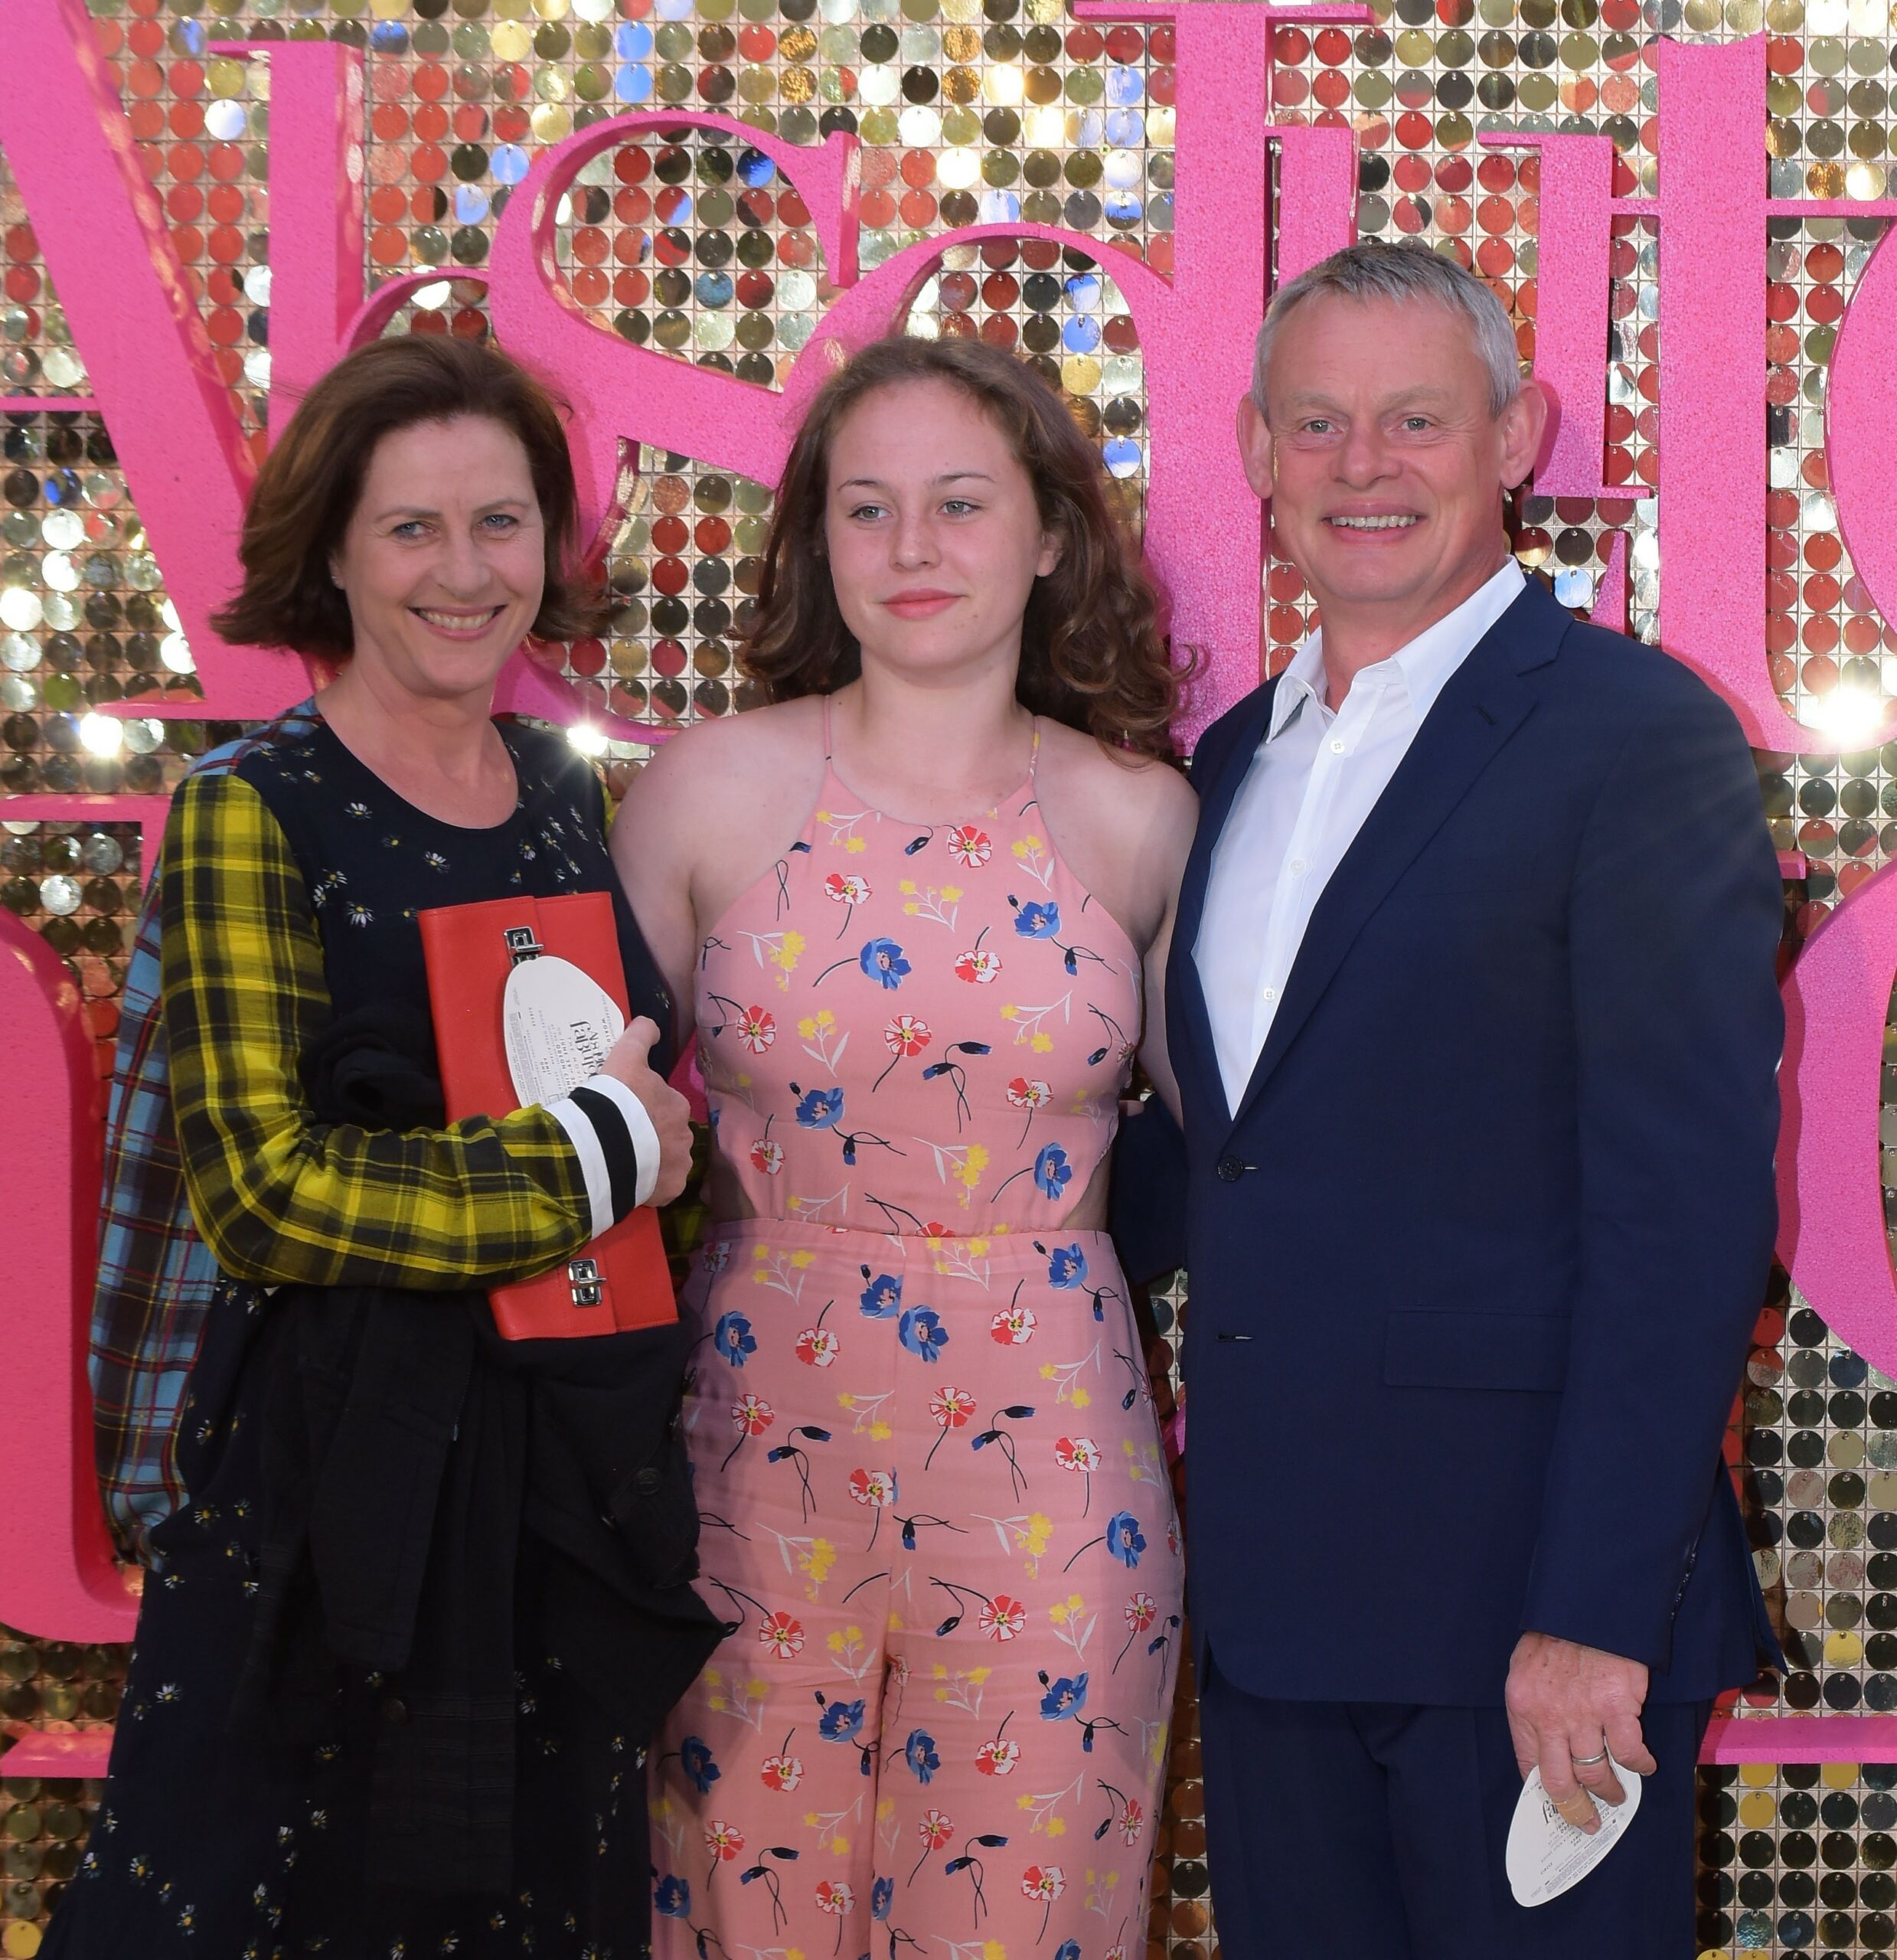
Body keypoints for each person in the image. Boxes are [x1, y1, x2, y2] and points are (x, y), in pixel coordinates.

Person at [50, 333, 722, 1959]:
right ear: (334, 550)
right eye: (412, 526)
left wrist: (664, 1169)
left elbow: (626, 1123)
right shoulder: (247, 807)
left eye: (500, 523)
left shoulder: (568, 802)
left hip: (548, 1484)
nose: (463, 569)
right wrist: (592, 1160)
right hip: (318, 1493)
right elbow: (266, 1191)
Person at [1151, 240, 1784, 1956]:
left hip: (1526, 1637)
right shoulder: (1223, 767)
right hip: (1277, 1622)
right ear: (1258, 451)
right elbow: (1236, 1162)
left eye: (1417, 419)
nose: (1367, 467)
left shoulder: (1636, 738)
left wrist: (1591, 1614)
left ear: (1516, 433)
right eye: (1321, 423)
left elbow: (1686, 1218)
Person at [614, 335, 1195, 1960]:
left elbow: (1237, 1159)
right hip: (746, 1462)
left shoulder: (1140, 820)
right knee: (739, 1911)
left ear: (1052, 533)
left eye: (959, 502)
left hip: (1054, 1480)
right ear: (819, 542)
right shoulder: (703, 795)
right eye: (868, 510)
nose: (916, 549)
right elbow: (589, 1146)